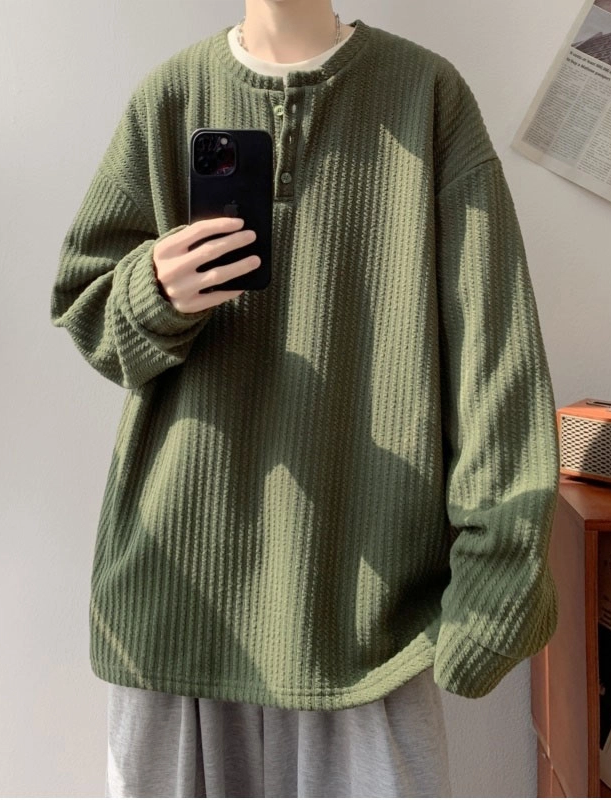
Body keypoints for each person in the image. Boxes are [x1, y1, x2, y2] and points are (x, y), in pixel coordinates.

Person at [50, 0, 561, 796]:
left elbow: (494, 355)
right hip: (176, 600)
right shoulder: (170, 96)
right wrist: (155, 290)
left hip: (367, 623)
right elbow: (89, 315)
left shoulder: (426, 95)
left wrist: (498, 574)